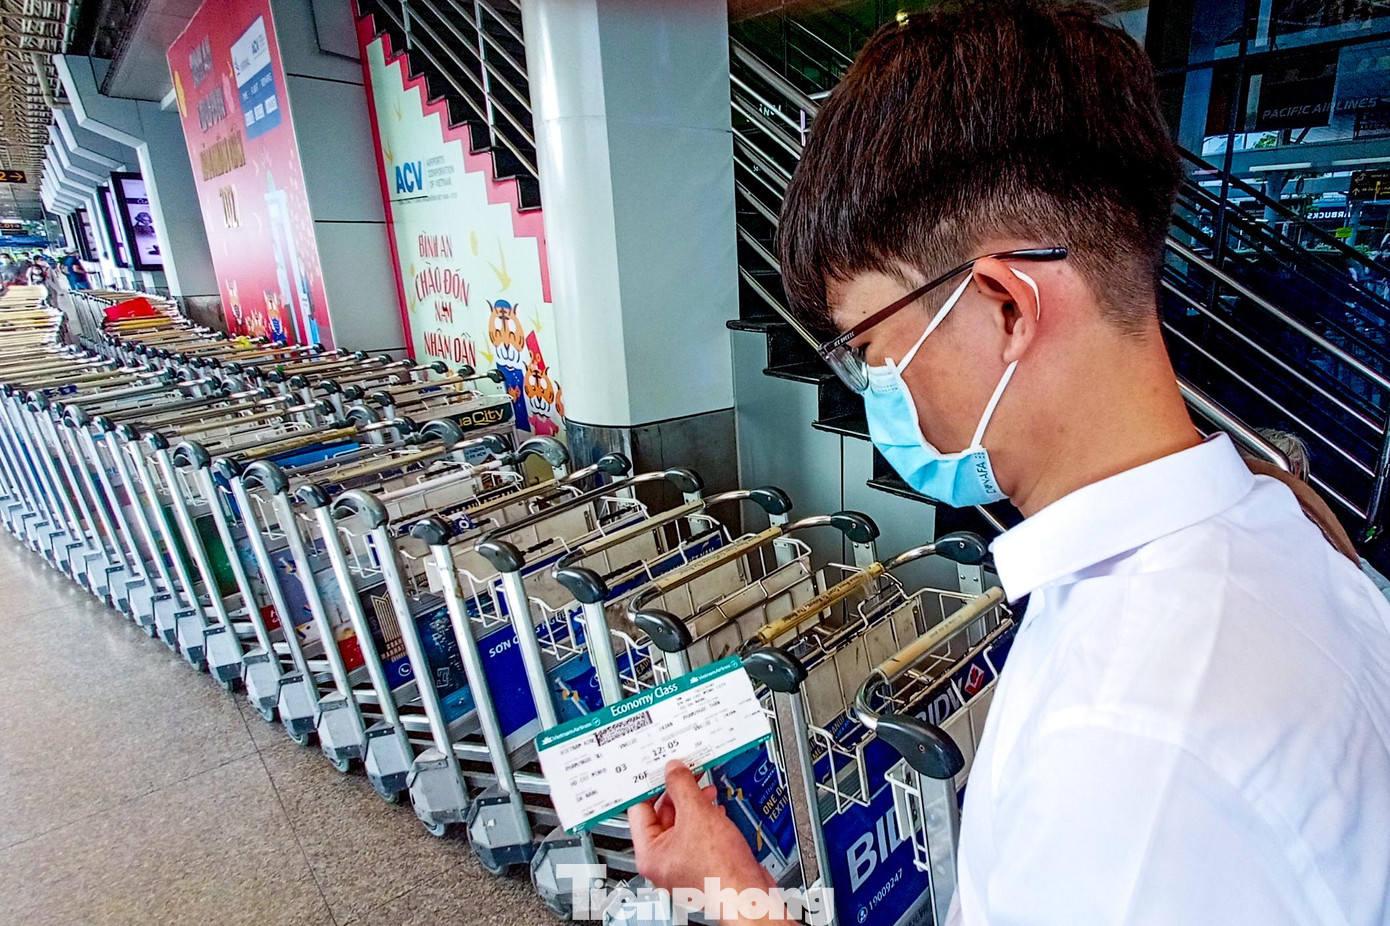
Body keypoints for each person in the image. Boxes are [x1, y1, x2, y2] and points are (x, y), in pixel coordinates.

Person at [631, 3, 1390, 924]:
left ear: (1004, 306)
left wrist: (736, 900)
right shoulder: (1280, 531)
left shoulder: (1125, 761)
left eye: (869, 347)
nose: (876, 388)